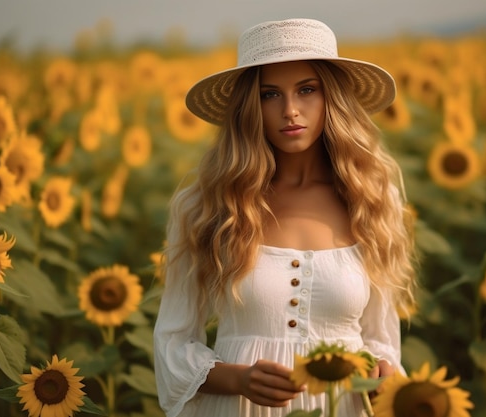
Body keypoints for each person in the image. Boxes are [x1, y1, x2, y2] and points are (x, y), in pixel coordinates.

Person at [153, 18, 417, 417]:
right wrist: (238, 379)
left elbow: (382, 343)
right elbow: (171, 345)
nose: (290, 110)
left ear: (333, 98)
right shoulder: (207, 205)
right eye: (269, 94)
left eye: (307, 90)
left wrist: (383, 374)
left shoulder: (373, 201)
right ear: (248, 107)